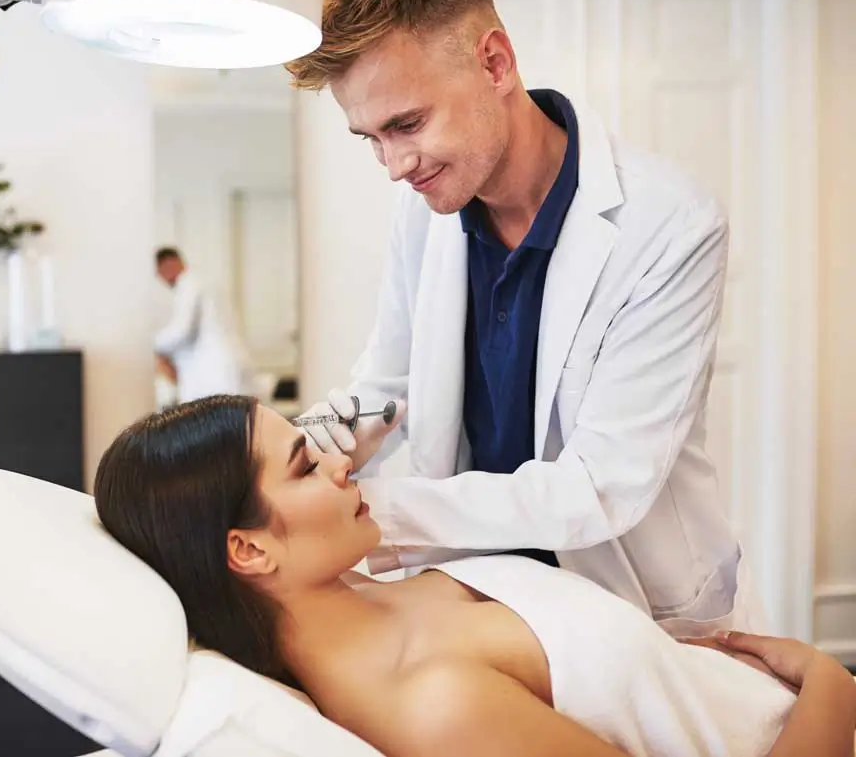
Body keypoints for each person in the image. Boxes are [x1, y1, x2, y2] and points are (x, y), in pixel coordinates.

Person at [285, 0, 750, 635]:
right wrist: (294, 454)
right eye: (372, 139)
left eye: (407, 124)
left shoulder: (671, 223)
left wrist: (363, 511)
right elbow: (386, 389)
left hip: (635, 602)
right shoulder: (424, 211)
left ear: (495, 62)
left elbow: (600, 484)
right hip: (484, 589)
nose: (394, 166)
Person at [94, 395, 856, 757]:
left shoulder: (364, 583)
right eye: (303, 463)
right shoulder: (435, 707)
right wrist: (832, 685)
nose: (338, 461)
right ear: (250, 551)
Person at [153, 247, 251, 402]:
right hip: (224, 369)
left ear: (168, 265)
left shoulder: (188, 285)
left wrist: (151, 345)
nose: (162, 279)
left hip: (213, 374)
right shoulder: (203, 282)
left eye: (160, 273)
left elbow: (182, 331)